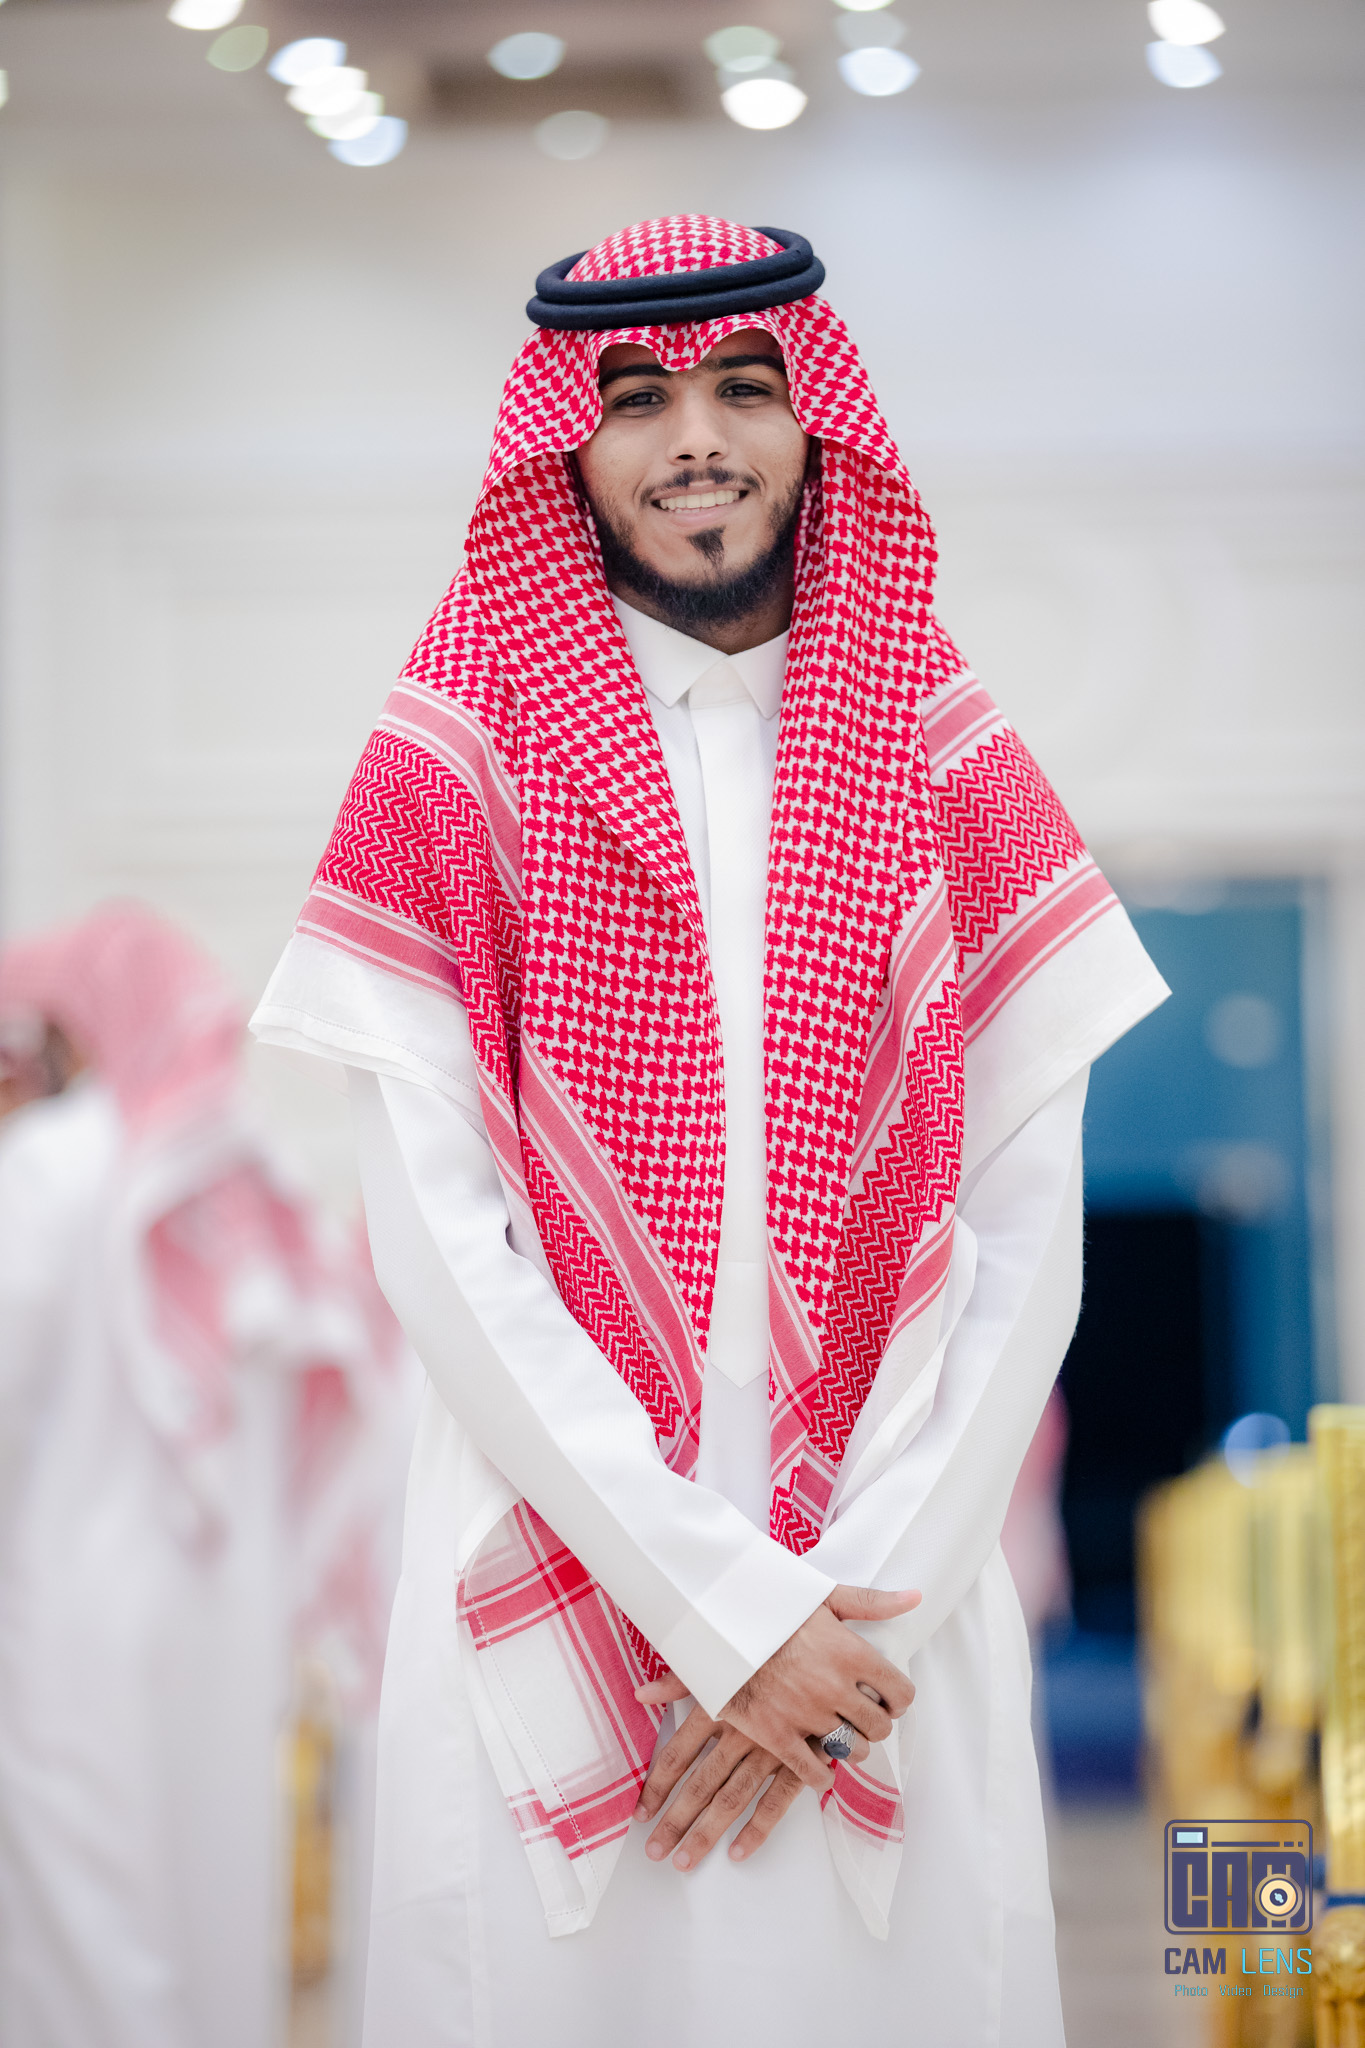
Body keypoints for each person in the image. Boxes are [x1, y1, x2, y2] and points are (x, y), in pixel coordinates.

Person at [252, 216, 1169, 2047]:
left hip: (893, 1578)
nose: (697, 438)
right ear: (566, 447)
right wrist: (727, 1613)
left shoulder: (945, 757)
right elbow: (440, 1250)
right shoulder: (451, 761)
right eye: (638, 399)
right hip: (556, 1546)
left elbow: (1024, 1241)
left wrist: (852, 1632)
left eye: (746, 387)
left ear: (816, 421)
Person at [0, 903, 411, 2048]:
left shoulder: (53, 1165)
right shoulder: (251, 1177)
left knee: (83, 1911)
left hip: (68, 1611)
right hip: (230, 1609)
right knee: (216, 1893)